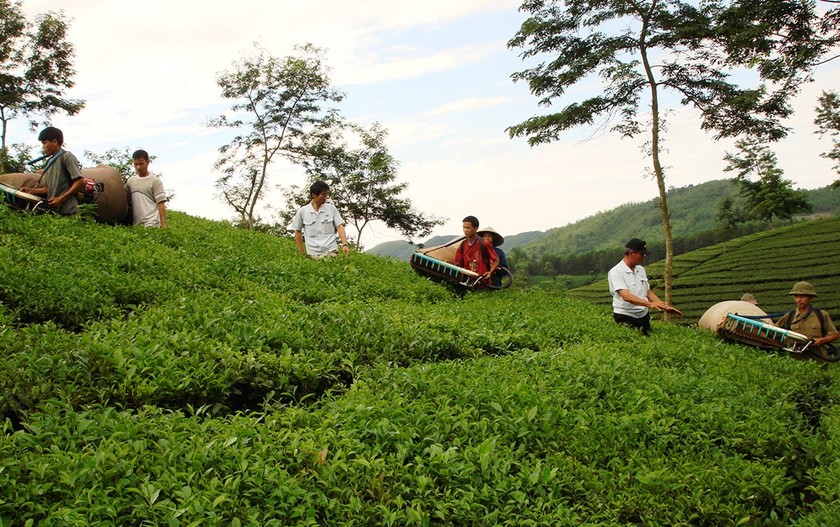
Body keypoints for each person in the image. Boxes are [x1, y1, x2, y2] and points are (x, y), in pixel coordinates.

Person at [607, 238, 681, 335]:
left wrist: (664, 307)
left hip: (643, 316)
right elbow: (626, 296)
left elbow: (648, 292)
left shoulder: (641, 270)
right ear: (632, 253)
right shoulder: (616, 272)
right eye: (642, 254)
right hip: (625, 316)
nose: (643, 257)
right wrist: (650, 304)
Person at [20, 126, 85, 215]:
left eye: (44, 143)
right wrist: (31, 190)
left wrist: (61, 199)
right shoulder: (49, 162)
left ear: (54, 142)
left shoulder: (67, 157)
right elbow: (48, 189)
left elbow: (80, 181)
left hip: (69, 211)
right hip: (54, 211)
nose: (43, 147)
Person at [775, 281, 839, 361]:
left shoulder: (821, 315)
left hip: (818, 360)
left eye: (802, 297)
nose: (798, 300)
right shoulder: (789, 316)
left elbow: (835, 335)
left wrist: (820, 340)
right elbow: (774, 331)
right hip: (796, 360)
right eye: (796, 296)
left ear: (810, 297)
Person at [292, 181, 350, 258]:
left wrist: (344, 244)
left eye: (327, 194)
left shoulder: (331, 209)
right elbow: (298, 232)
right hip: (312, 253)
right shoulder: (302, 211)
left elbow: (339, 226)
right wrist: (301, 251)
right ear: (314, 195)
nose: (326, 197)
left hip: (331, 251)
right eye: (323, 195)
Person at [125, 149, 167, 228]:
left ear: (147, 162)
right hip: (136, 224)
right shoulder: (131, 181)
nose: (138, 167)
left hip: (152, 222)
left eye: (141, 164)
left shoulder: (155, 181)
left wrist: (164, 225)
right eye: (135, 164)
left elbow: (161, 204)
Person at [453, 216, 499, 285]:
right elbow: (458, 264)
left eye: (468, 228)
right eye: (464, 227)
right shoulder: (462, 245)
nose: (465, 230)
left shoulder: (483, 243)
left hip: (483, 282)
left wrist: (490, 272)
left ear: (476, 228)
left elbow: (496, 260)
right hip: (467, 283)